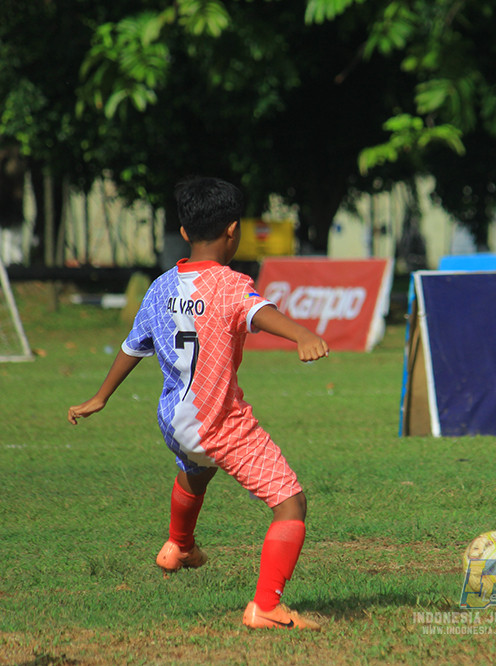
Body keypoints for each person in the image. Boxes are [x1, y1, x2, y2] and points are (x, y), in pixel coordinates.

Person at [67, 177, 329, 629]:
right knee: (291, 505)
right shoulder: (230, 284)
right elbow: (258, 312)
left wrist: (100, 396)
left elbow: (134, 346)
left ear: (185, 233)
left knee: (196, 466)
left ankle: (178, 545)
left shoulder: (161, 287)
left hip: (174, 420)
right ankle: (266, 607)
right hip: (219, 422)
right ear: (233, 230)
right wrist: (301, 333)